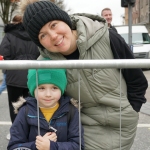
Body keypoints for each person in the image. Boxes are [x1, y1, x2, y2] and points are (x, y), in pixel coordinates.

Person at [19, 1, 148, 149]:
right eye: (43, 35)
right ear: (40, 43)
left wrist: (132, 110)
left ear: (65, 20)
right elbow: (39, 99)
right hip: (80, 128)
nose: (53, 36)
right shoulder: (45, 62)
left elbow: (137, 80)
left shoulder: (107, 37)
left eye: (53, 25)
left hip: (122, 123)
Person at [7, 68, 84, 150]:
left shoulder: (71, 111)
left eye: (54, 88)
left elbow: (78, 145)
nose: (48, 94)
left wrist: (52, 146)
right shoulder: (25, 111)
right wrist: (37, 146)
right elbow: (14, 146)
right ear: (33, 90)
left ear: (61, 90)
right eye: (41, 88)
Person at [0, 14, 40, 140]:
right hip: (34, 75)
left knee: (14, 107)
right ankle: (32, 132)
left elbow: (4, 53)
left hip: (14, 75)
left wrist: (7, 70)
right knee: (33, 106)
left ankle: (16, 133)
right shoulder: (36, 33)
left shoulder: (9, 35)